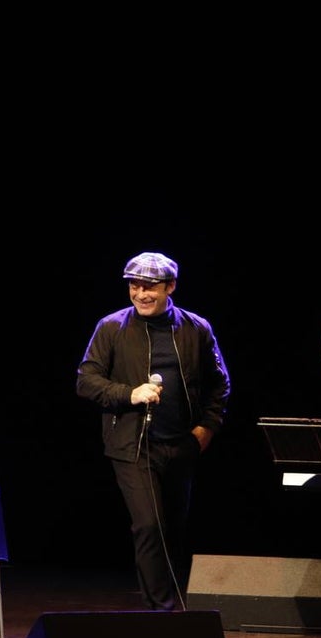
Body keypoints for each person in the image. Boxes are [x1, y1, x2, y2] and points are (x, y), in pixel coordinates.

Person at [76, 251, 231, 611]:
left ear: (170, 287)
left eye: (150, 287)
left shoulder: (196, 328)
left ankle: (166, 605)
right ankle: (165, 611)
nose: (141, 294)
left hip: (180, 445)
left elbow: (219, 384)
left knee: (172, 530)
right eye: (135, 286)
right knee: (149, 525)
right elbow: (86, 381)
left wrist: (206, 429)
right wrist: (129, 393)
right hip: (132, 445)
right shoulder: (112, 327)